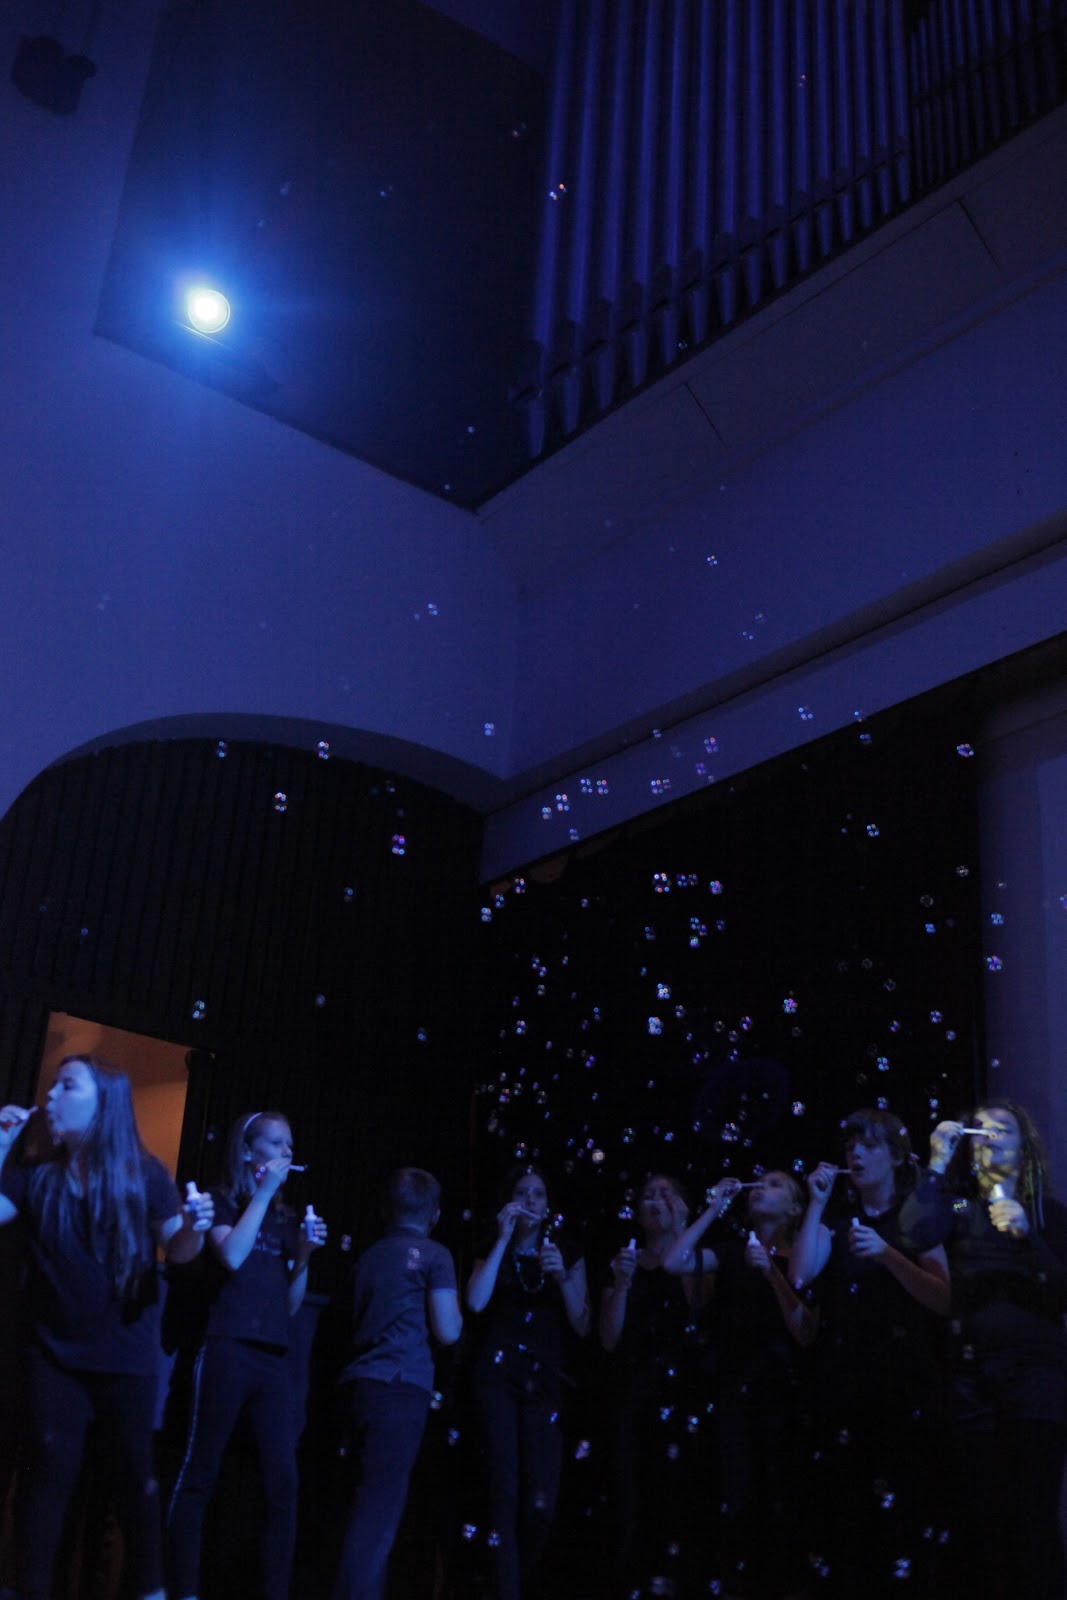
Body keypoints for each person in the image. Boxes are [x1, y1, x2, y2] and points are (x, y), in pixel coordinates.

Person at [0, 1055, 212, 1600]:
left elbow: (180, 1251)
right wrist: (1, 1145)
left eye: (67, 1086)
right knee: (47, 1476)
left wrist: (195, 1225)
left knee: (135, 1480)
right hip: (54, 1357)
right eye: (53, 1085)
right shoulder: (37, 1176)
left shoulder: (143, 1174)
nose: (51, 1096)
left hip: (125, 1357)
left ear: (104, 1104)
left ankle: (150, 1590)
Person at [900, 1101, 1067, 1599]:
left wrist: (1029, 1237)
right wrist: (935, 1163)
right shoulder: (957, 1209)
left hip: (1037, 1378)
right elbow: (913, 1232)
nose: (989, 1136)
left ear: (1025, 1148)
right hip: (972, 1380)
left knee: (1033, 1517)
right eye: (980, 1131)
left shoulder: (1049, 1214)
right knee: (982, 1521)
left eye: (1003, 1129)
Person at [166, 1109, 326, 1600]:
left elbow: (291, 1305)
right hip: (227, 1346)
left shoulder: (284, 1217)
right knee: (200, 1472)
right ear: (247, 1150)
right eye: (276, 1143)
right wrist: (262, 1193)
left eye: (290, 1145)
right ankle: (182, 1590)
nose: (286, 1153)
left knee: (284, 1483)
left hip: (274, 1357)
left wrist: (304, 1256)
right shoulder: (220, 1201)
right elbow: (232, 1256)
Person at [792, 1109, 950, 1597]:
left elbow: (942, 1298)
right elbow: (800, 1274)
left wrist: (887, 1254)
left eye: (869, 1145)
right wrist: (816, 1204)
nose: (855, 1154)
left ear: (896, 1157)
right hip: (844, 1388)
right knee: (849, 1522)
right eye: (850, 1147)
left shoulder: (917, 1219)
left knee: (903, 1520)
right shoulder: (837, 1223)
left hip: (904, 1389)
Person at [664, 1171, 825, 1599]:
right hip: (735, 1391)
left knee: (781, 1495)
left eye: (774, 1184)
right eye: (760, 1183)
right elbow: (675, 1262)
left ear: (794, 1208)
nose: (759, 1188)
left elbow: (806, 1331)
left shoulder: (803, 1255)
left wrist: (771, 1272)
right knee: (738, 1496)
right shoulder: (733, 1251)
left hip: (785, 1392)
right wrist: (714, 1208)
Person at [330, 1166, 462, 1600]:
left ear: (385, 1211)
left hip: (358, 1387)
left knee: (363, 1506)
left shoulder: (367, 1257)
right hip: (401, 1387)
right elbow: (448, 1330)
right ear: (435, 1215)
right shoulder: (435, 1256)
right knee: (379, 1516)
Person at [466, 1163, 590, 1600]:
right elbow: (475, 1303)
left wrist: (562, 1277)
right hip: (497, 1377)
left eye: (538, 1194)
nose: (530, 1201)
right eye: (522, 1193)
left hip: (546, 1379)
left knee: (540, 1500)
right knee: (503, 1490)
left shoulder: (566, 1252)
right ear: (509, 1201)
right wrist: (503, 1239)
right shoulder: (491, 1247)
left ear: (549, 1205)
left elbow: (582, 1324)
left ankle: (516, 1580)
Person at [599, 1174, 706, 1599]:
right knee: (631, 1493)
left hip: (686, 1390)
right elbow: (608, 1338)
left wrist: (681, 1233)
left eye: (666, 1194)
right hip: (633, 1389)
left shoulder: (697, 1258)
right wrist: (621, 1285)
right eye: (648, 1195)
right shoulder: (624, 1261)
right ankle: (631, 1583)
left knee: (680, 1490)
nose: (656, 1201)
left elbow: (700, 1307)